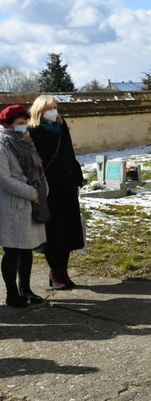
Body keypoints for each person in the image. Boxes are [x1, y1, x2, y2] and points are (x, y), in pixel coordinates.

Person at [28, 95, 84, 290]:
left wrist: (77, 180)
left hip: (67, 185)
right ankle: (54, 271)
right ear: (40, 110)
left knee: (68, 229)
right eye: (50, 107)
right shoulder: (31, 131)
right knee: (53, 232)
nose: (54, 110)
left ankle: (64, 270)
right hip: (48, 187)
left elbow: (70, 152)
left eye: (55, 106)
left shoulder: (61, 126)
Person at [0, 105, 48, 308]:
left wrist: (44, 190)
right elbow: (4, 179)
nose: (24, 127)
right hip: (13, 205)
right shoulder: (2, 144)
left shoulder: (26, 140)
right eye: (20, 123)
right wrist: (32, 194)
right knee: (13, 252)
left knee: (27, 249)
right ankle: (12, 294)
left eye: (25, 122)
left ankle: (26, 289)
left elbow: (38, 168)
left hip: (32, 204)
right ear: (8, 124)